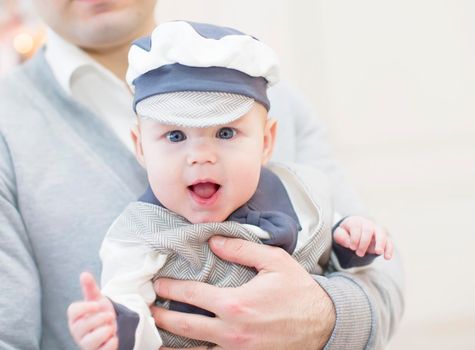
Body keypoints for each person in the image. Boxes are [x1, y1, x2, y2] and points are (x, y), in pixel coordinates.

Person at [0, 1, 404, 349]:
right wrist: (117, 327)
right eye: (174, 136)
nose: (200, 158)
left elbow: (379, 279)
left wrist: (322, 312)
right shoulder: (9, 128)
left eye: (226, 132)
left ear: (267, 139)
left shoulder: (266, 90)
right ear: (141, 143)